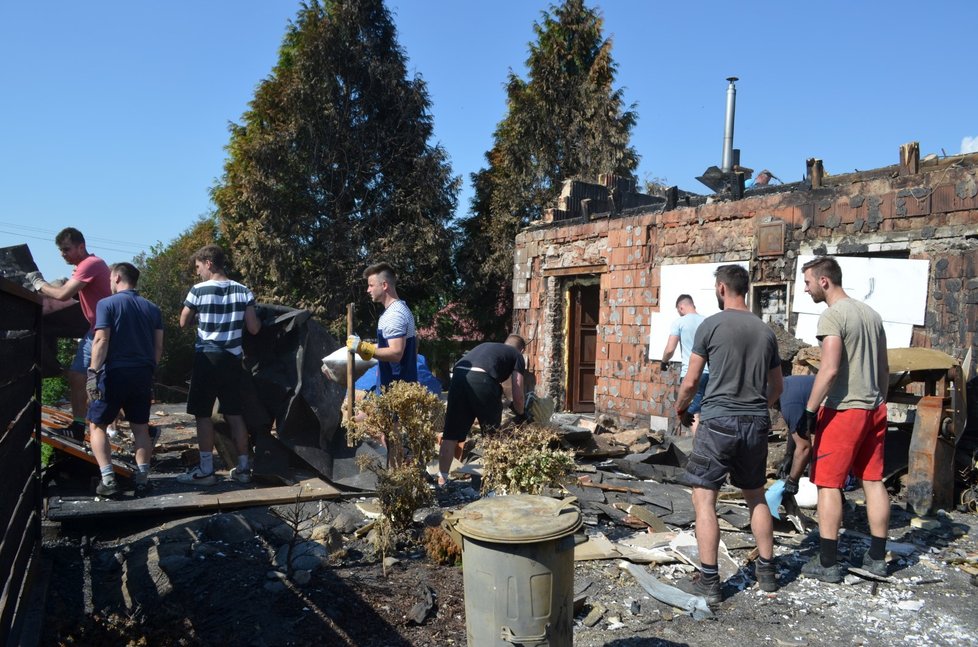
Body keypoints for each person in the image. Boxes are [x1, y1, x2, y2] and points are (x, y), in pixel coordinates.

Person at [675, 264, 783, 603]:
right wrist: (753, 408)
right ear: (745, 289)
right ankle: (767, 572)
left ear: (722, 288)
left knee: (704, 498)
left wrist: (682, 409)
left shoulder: (711, 325)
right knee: (755, 494)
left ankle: (709, 581)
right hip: (755, 422)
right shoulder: (766, 332)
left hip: (719, 422)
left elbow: (691, 381)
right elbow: (776, 386)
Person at [799, 256, 889, 582]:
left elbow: (830, 368)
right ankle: (877, 558)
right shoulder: (872, 315)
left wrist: (809, 410)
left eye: (807, 283)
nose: (806, 289)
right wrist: (879, 400)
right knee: (873, 480)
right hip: (875, 407)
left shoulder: (833, 316)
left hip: (845, 410)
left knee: (828, 484)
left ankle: (827, 562)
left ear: (824, 281)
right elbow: (883, 370)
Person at [177, 245, 261, 486]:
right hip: (233, 359)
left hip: (207, 357)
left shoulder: (198, 291)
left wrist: (200, 317)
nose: (198, 273)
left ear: (209, 263)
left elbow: (184, 321)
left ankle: (206, 471)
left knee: (203, 415)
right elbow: (254, 328)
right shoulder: (243, 291)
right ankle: (244, 469)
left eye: (198, 267)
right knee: (234, 414)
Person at [86, 263, 163, 497]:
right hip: (142, 373)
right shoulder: (152, 308)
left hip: (115, 373)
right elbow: (158, 346)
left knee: (97, 425)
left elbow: (101, 340)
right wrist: (150, 370)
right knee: (140, 428)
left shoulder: (106, 304)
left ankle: (108, 481)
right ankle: (142, 481)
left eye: (111, 278)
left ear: (117, 277)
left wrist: (92, 372)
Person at [26, 227, 111, 438]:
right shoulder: (85, 267)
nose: (63, 254)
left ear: (81, 246)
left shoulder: (91, 264)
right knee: (77, 376)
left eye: (66, 249)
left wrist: (39, 283)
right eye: (61, 250)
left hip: (105, 331)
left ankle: (137, 427)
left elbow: (63, 295)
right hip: (94, 330)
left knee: (105, 381)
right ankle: (78, 427)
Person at [437, 334, 527, 486]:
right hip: (482, 379)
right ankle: (494, 480)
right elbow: (518, 393)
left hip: (459, 376)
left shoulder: (490, 348)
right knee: (492, 435)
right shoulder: (517, 355)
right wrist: (522, 412)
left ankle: (442, 479)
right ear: (522, 349)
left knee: (450, 435)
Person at [347, 262, 418, 389]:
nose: (368, 290)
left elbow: (396, 353)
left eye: (371, 285)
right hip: (398, 389)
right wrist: (361, 346)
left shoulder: (394, 314)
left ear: (384, 285)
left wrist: (365, 349)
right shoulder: (398, 309)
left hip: (396, 393)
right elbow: (386, 345)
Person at [661, 294, 709, 432]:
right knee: (702, 411)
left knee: (693, 413)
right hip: (710, 374)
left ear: (681, 307)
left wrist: (664, 361)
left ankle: (698, 449)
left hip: (691, 373)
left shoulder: (679, 322)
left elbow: (670, 349)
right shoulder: (707, 322)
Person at [776, 374, 816, 489]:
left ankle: (839, 504)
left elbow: (804, 448)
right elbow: (796, 427)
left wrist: (793, 480)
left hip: (844, 413)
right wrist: (789, 455)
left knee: (819, 471)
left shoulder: (788, 403)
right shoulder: (786, 385)